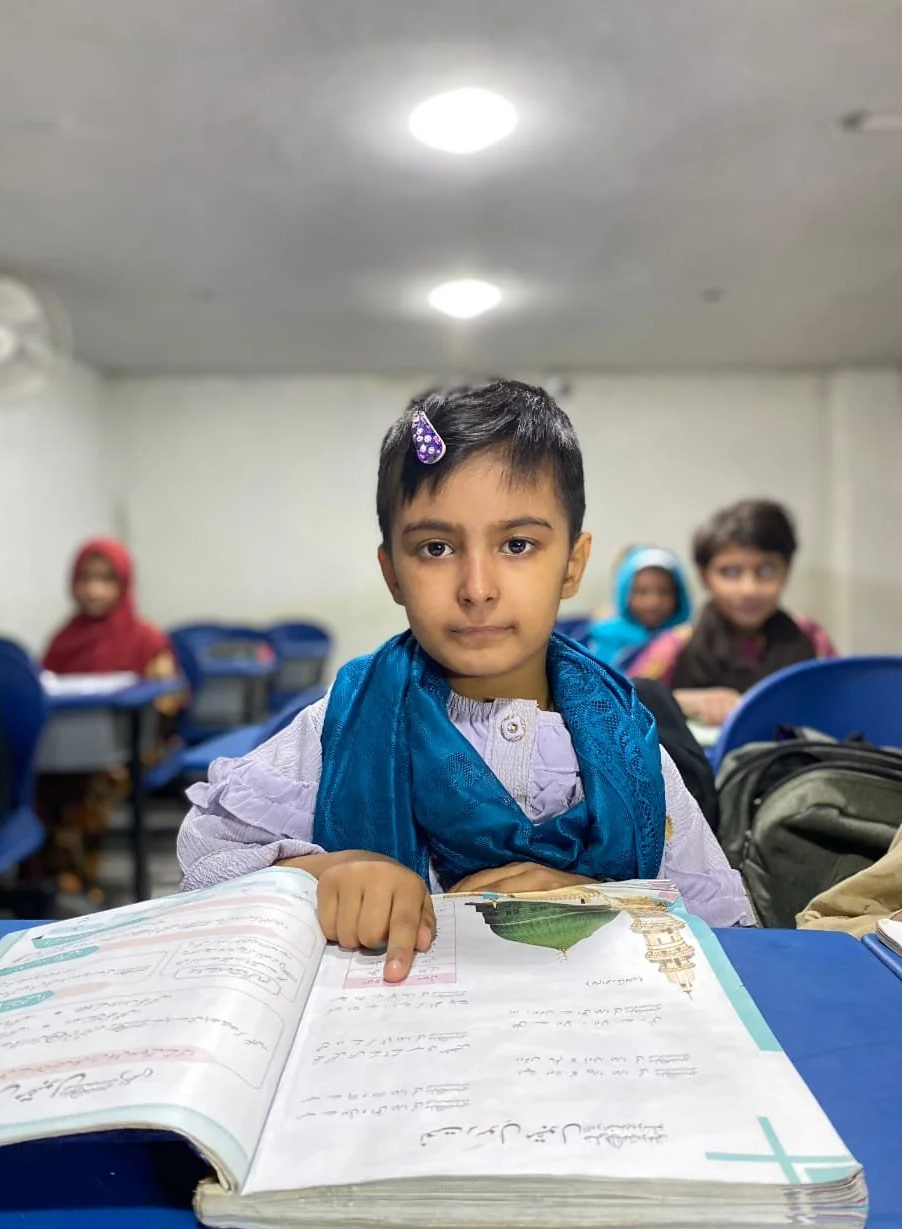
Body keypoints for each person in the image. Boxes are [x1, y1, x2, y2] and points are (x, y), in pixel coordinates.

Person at [178, 381, 753, 981]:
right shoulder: (341, 724)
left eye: (518, 544)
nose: (477, 587)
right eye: (434, 547)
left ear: (573, 565)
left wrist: (601, 904)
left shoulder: (630, 747)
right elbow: (202, 867)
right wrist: (323, 873)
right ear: (392, 573)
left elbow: (728, 934)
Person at [37, 537, 180, 903]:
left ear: (123, 584)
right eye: (84, 579)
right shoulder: (64, 639)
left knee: (95, 785)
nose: (93, 590)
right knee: (40, 784)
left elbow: (168, 700)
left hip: (135, 745)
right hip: (68, 747)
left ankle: (86, 880)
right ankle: (52, 877)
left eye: (105, 579)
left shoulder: (146, 637)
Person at [629, 500, 836, 727]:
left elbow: (842, 699)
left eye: (766, 570)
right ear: (704, 576)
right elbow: (623, 702)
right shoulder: (678, 645)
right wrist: (686, 701)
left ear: (786, 571)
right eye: (730, 572)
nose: (749, 589)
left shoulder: (810, 637)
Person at [586, 546, 691, 671]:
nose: (653, 602)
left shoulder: (685, 640)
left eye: (664, 592)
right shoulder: (604, 637)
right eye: (642, 592)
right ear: (625, 594)